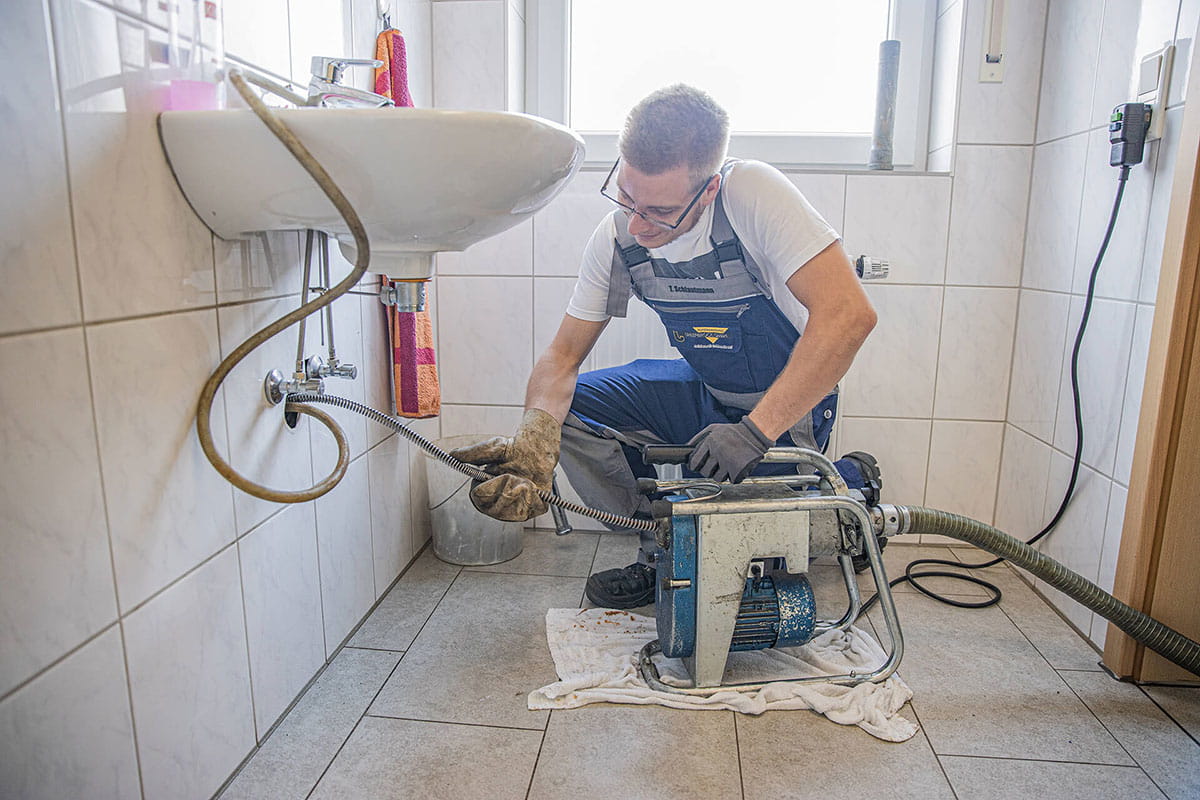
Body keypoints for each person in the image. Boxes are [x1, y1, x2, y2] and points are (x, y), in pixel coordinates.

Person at [451, 84, 880, 609]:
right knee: (574, 410)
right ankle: (661, 548)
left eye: (658, 211)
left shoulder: (752, 195)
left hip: (783, 406)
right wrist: (534, 446)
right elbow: (561, 359)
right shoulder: (617, 237)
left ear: (708, 191)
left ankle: (852, 494)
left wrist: (754, 431)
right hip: (704, 388)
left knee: (768, 558)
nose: (636, 224)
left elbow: (849, 317)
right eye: (627, 197)